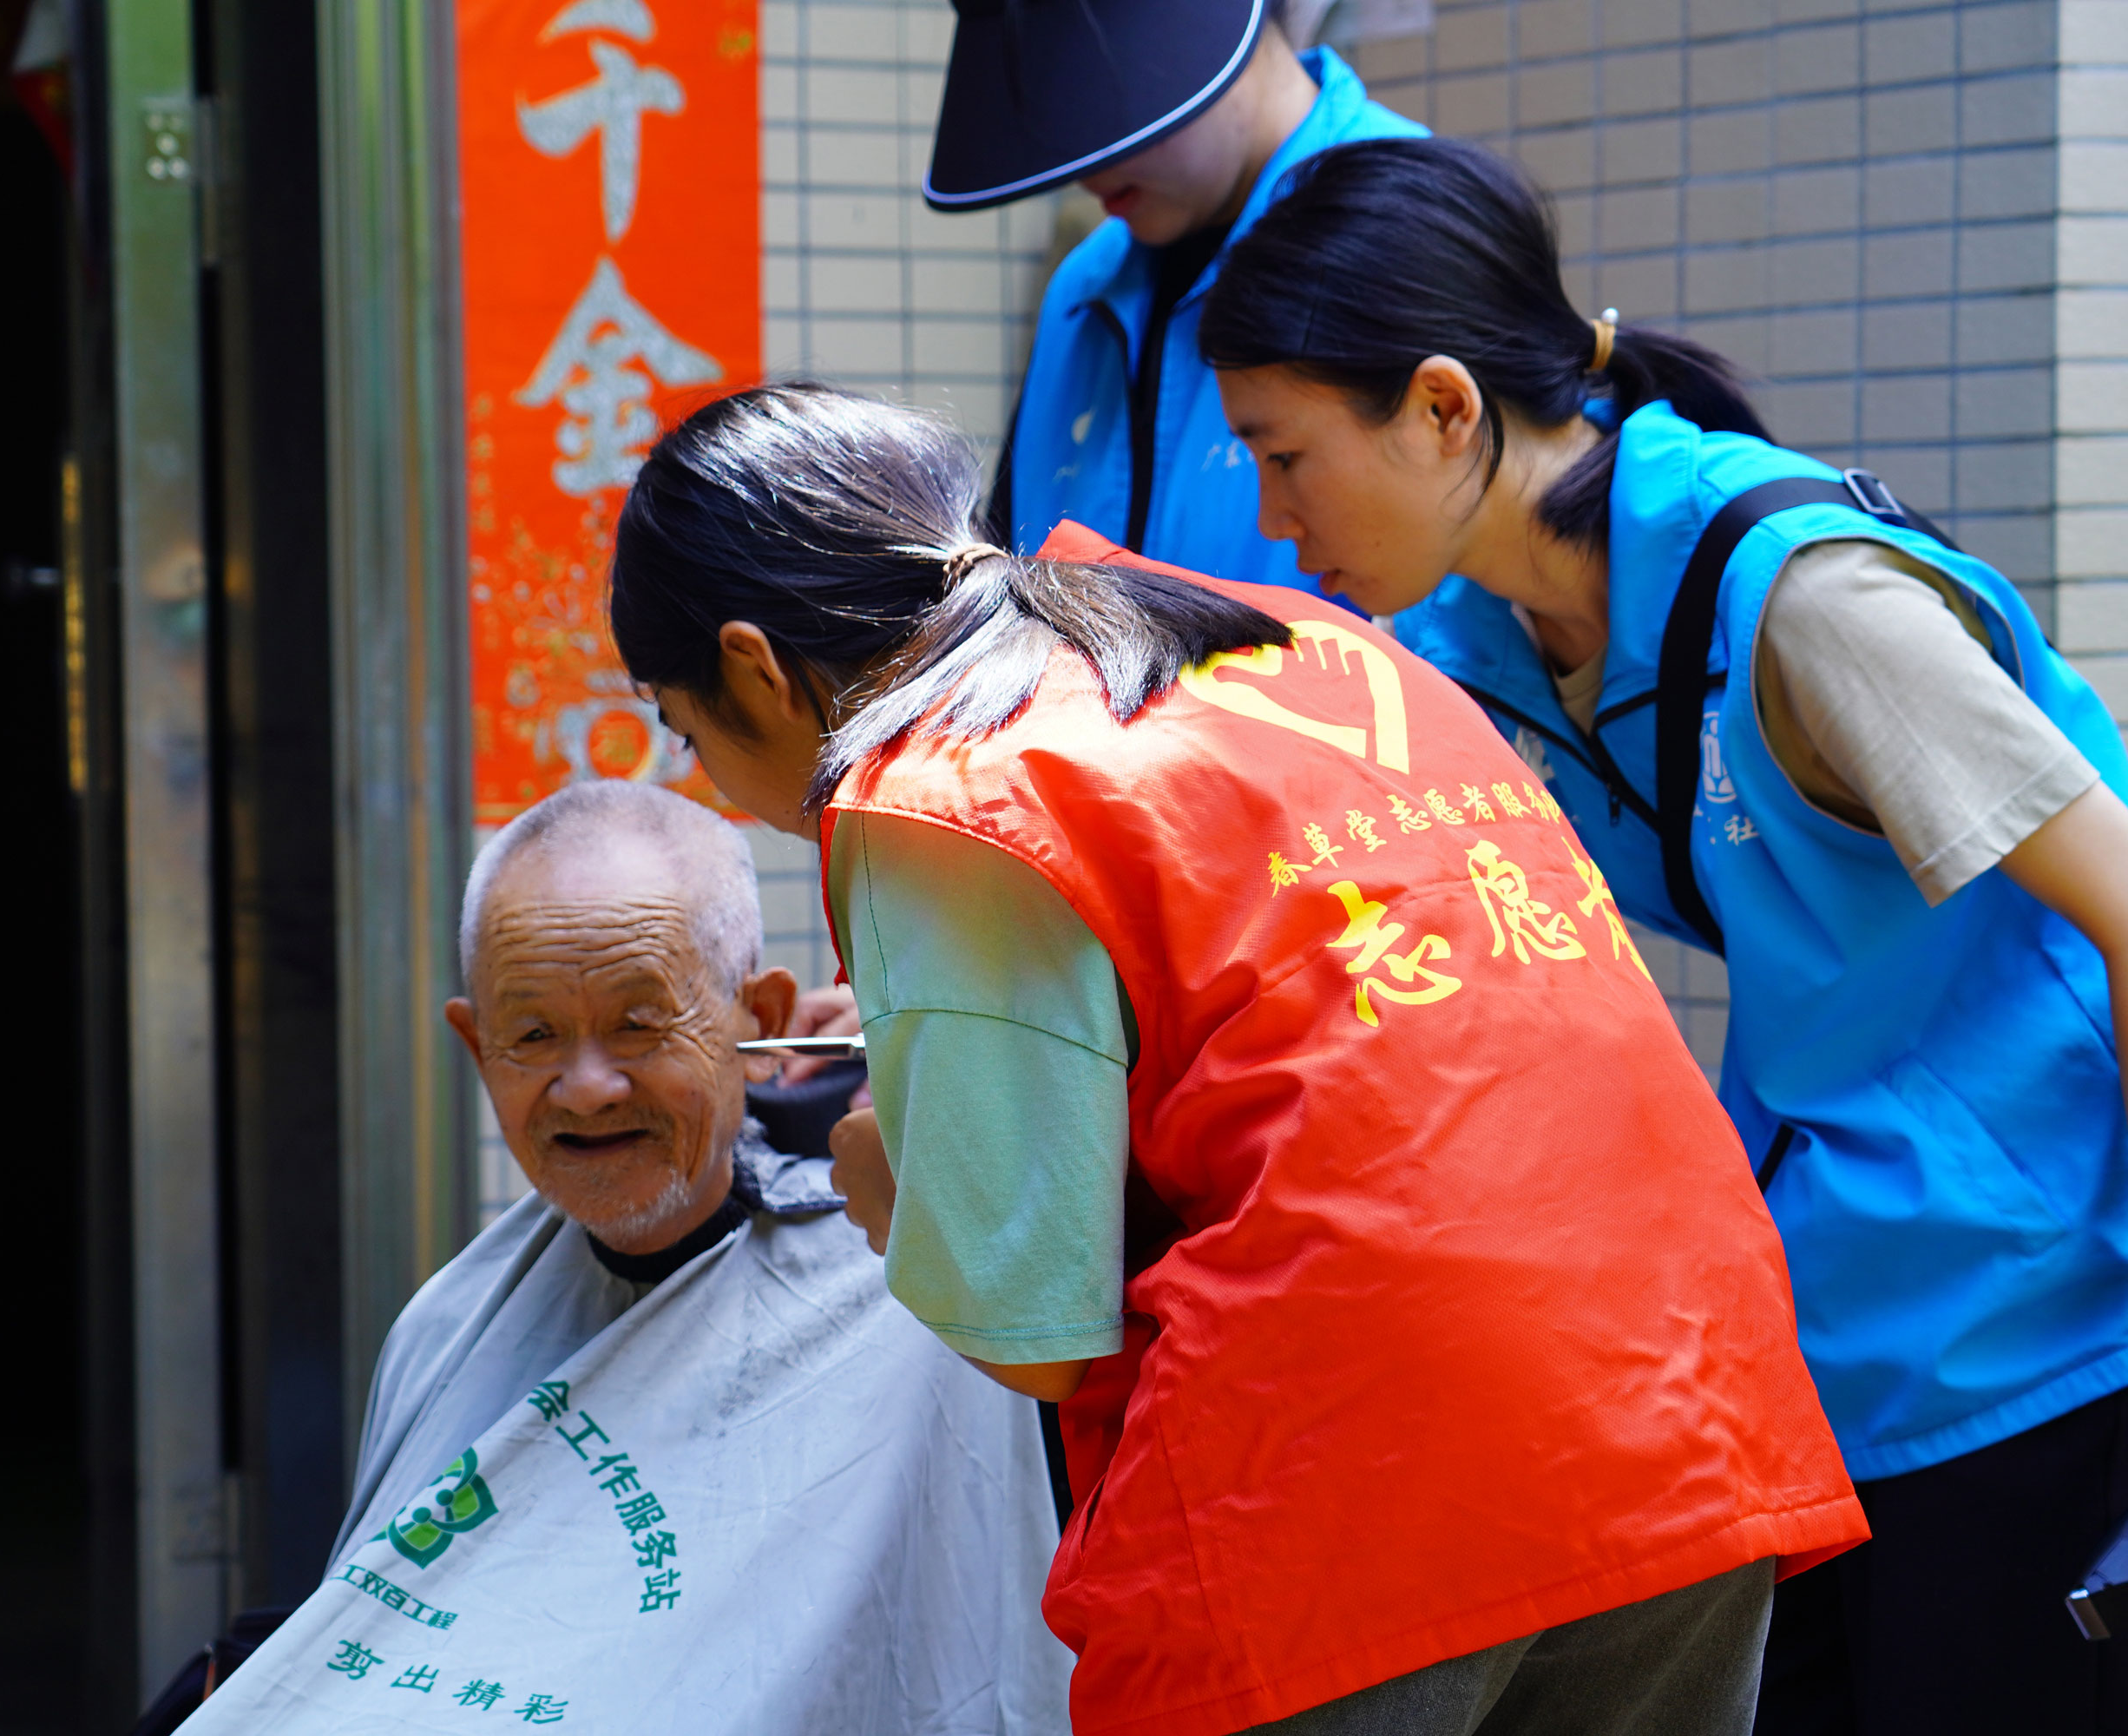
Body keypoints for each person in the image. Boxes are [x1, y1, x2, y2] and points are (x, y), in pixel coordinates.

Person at [608, 381, 1867, 1735]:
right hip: (1686, 1406)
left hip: (1355, 1488)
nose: (707, 772)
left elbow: (1028, 1324)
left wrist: (894, 1169)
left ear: (751, 664)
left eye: (687, 734)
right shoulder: (1303, 643)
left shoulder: (942, 792)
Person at [1196, 135, 2128, 1734]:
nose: (1274, 521)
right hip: (1821, 1337)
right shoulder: (1477, 641)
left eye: (1286, 458)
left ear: (1440, 407)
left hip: (2046, 1337)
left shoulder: (1811, 604)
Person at [181, 781, 1070, 1734]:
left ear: (759, 1020)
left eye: (641, 1023)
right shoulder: (446, 1330)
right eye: (532, 1035)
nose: (590, 1086)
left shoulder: (927, 1292)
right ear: (477, 1047)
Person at [923, 0, 1418, 577]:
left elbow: (1471, 655)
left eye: (1102, 87)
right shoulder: (1082, 293)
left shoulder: (1415, 232)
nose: (1077, 161)